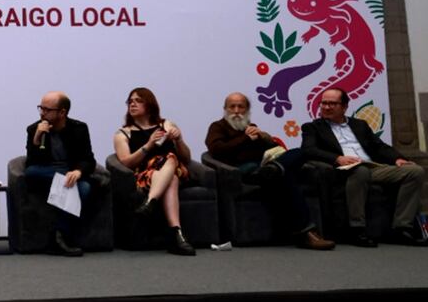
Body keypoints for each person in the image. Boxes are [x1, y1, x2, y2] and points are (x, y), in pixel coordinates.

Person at [205, 92, 334, 250]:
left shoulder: (250, 126)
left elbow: (274, 149)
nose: (237, 111)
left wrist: (265, 137)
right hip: (245, 171)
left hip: (264, 167)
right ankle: (307, 233)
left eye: (241, 107)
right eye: (232, 107)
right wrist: (245, 139)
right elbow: (216, 150)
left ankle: (274, 169)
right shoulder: (218, 127)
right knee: (286, 177)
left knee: (300, 153)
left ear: (247, 110)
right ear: (225, 109)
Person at [300, 87, 426, 247]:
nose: (326, 107)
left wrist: (397, 159)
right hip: (343, 171)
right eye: (323, 103)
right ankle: (357, 229)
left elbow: (379, 146)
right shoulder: (313, 127)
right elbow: (308, 149)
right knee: (361, 171)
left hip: (372, 167)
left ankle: (402, 228)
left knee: (415, 171)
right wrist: (338, 158)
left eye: (332, 104)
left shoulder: (359, 125)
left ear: (344, 107)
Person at [113, 87, 195, 255]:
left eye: (138, 101)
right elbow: (126, 163)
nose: (133, 104)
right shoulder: (123, 133)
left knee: (171, 158)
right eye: (130, 101)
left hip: (177, 168)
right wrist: (149, 145)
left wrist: (179, 140)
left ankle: (150, 202)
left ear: (150, 105)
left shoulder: (166, 125)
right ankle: (177, 234)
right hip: (145, 175)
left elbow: (186, 158)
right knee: (171, 178)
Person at [24, 91, 96, 257]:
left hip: (69, 172)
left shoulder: (79, 129)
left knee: (84, 188)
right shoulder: (34, 129)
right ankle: (59, 239)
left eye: (47, 109)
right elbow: (32, 163)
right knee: (31, 172)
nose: (42, 113)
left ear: (62, 112)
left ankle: (58, 237)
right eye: (40, 108)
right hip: (44, 173)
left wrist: (78, 171)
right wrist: (37, 138)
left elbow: (88, 159)